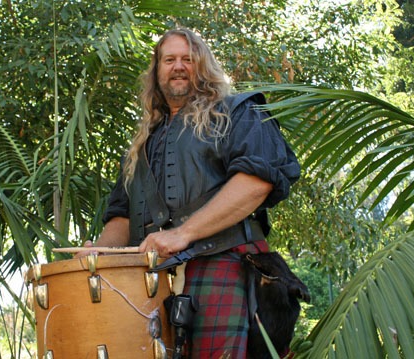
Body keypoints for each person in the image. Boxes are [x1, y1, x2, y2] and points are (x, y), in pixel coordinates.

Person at [80, 28, 300, 358]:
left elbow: (256, 182)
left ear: (204, 66)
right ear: (156, 71)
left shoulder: (238, 112)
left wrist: (183, 234)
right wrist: (99, 252)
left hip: (224, 263)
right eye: (169, 60)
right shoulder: (140, 146)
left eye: (188, 59)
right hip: (151, 282)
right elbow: (123, 215)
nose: (179, 66)